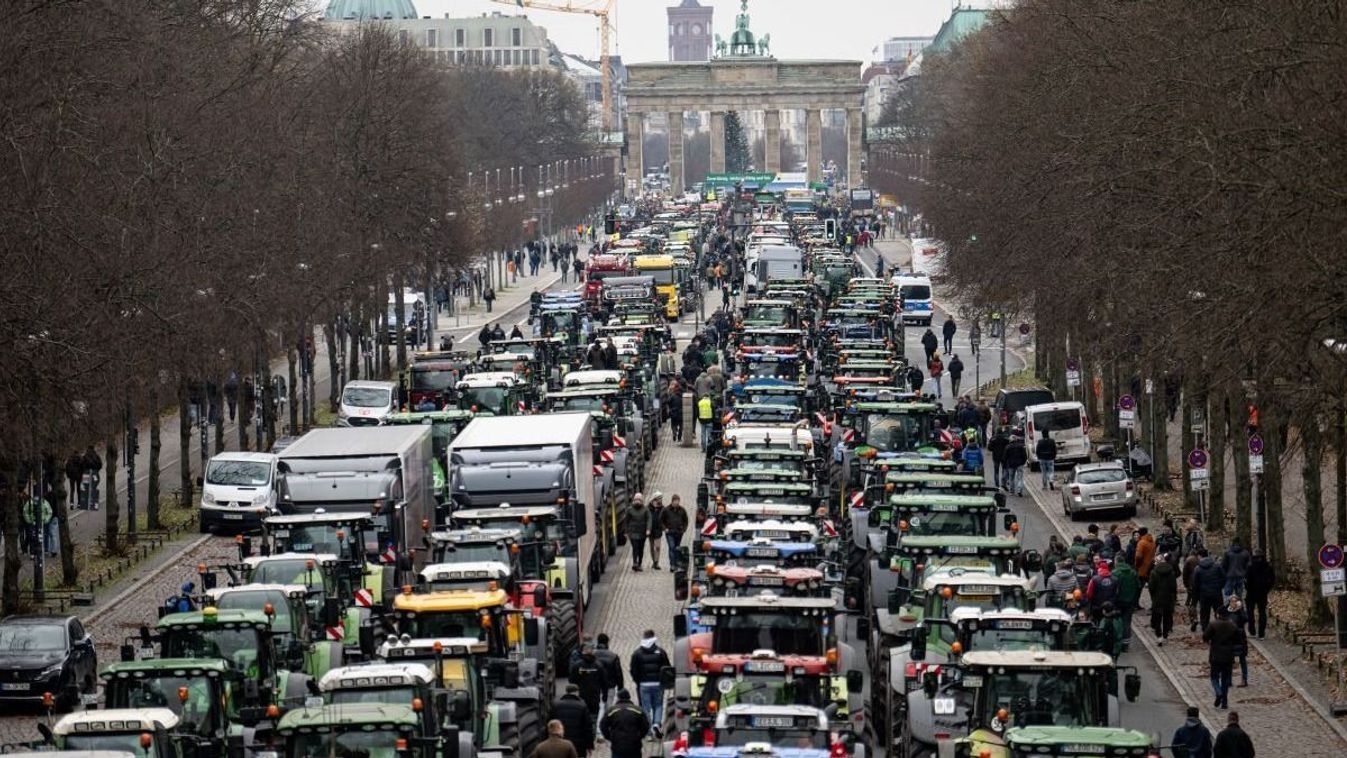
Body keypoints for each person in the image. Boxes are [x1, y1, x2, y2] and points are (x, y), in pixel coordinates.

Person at [628, 630, 671, 737]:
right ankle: (656, 723)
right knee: (658, 705)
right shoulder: (660, 652)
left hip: (644, 684)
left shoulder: (637, 653)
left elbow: (633, 670)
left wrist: (637, 681)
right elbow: (667, 668)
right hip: (658, 684)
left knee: (645, 707)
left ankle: (648, 732)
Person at [1204, 607, 1239, 709]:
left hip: (1216, 655)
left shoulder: (1213, 624)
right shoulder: (1233, 626)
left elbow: (1205, 636)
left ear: (1218, 614)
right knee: (1225, 679)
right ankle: (1225, 702)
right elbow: (1238, 640)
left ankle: (1218, 692)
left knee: (1214, 677)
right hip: (1228, 656)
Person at [600, 689, 649, 758]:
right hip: (634, 745)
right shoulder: (638, 711)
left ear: (618, 698)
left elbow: (603, 726)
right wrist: (639, 736)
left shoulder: (611, 711)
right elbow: (645, 726)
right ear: (629, 697)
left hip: (617, 745)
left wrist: (610, 737)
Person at [551, 687, 594, 757]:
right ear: (577, 692)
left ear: (567, 692)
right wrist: (589, 746)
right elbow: (588, 728)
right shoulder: (582, 705)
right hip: (578, 746)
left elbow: (550, 725)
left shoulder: (556, 705)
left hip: (560, 743)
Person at [1244, 549, 1274, 639]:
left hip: (1251, 592)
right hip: (1262, 592)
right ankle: (1261, 633)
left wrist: (1248, 588)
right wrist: (1267, 589)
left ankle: (1252, 630)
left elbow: (1246, 580)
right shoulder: (1267, 566)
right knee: (1262, 612)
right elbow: (1272, 579)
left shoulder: (1250, 566)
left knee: (1250, 612)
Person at [1194, 549, 1227, 631]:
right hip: (1216, 593)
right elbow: (1224, 578)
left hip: (1204, 594)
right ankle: (1220, 628)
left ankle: (1205, 630)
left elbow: (1195, 583)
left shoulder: (1198, 568)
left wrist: (1198, 593)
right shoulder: (1217, 566)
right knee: (1219, 611)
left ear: (1199, 556)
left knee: (1204, 613)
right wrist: (1219, 586)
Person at [1149, 553, 1179, 643]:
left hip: (1157, 598)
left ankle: (1159, 635)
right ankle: (1165, 634)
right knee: (1167, 616)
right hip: (1168, 598)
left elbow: (1151, 587)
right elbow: (1174, 586)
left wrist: (1153, 596)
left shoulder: (1154, 572)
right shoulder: (1171, 572)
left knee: (1157, 617)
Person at [1224, 596, 1250, 686]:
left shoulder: (1240, 613)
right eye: (1231, 601)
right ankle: (1229, 680)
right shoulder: (1227, 611)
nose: (1233, 603)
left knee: (1242, 659)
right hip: (1230, 639)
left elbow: (1245, 619)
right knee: (1229, 660)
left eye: (1235, 601)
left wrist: (1239, 609)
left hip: (1240, 639)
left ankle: (1244, 679)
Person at [594, 633, 624, 708]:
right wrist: (620, 687)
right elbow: (618, 674)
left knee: (597, 707)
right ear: (607, 642)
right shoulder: (613, 656)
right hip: (610, 686)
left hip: (595, 686)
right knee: (609, 706)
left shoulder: (592, 655)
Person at [660, 495, 689, 568]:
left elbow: (685, 520)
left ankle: (676, 563)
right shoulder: (666, 510)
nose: (676, 503)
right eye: (675, 501)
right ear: (672, 501)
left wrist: (684, 529)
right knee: (671, 547)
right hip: (670, 532)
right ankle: (672, 564)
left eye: (678, 501)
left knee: (677, 548)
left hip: (679, 532)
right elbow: (661, 520)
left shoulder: (682, 510)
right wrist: (664, 528)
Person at [626, 494, 650, 571]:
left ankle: (639, 563)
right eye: (636, 500)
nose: (637, 501)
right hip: (633, 532)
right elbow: (626, 521)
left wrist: (648, 529)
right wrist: (626, 532)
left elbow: (649, 520)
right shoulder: (630, 510)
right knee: (635, 547)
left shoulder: (645, 510)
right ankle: (635, 562)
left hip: (642, 532)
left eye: (639, 500)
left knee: (641, 548)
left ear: (642, 501)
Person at [647, 492, 665, 570]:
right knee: (651, 547)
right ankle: (654, 561)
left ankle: (656, 562)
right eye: (658, 498)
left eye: (661, 498)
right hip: (650, 530)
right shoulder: (648, 508)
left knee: (657, 547)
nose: (660, 500)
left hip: (658, 530)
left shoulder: (662, 508)